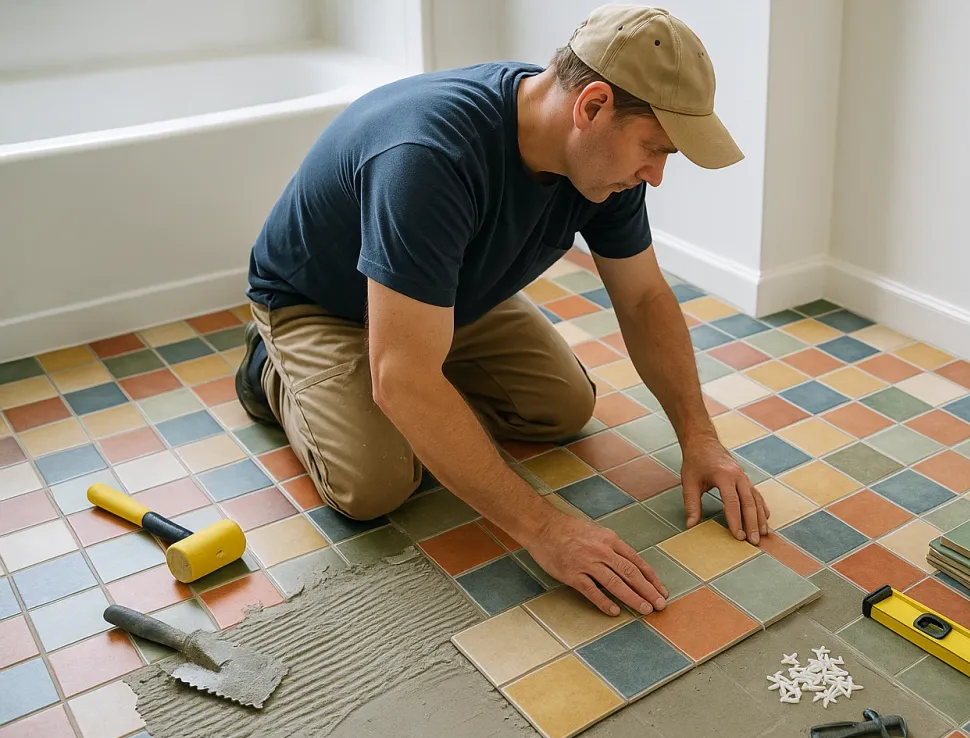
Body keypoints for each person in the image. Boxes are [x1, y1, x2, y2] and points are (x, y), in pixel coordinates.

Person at [235, 3, 770, 617]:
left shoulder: (601, 165)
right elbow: (402, 379)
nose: (655, 175)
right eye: (654, 148)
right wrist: (546, 529)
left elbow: (645, 299)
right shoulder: (429, 156)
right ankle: (270, 368)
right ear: (592, 106)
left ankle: (418, 349)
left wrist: (700, 439)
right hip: (318, 302)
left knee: (560, 407)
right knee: (374, 483)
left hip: (445, 293)